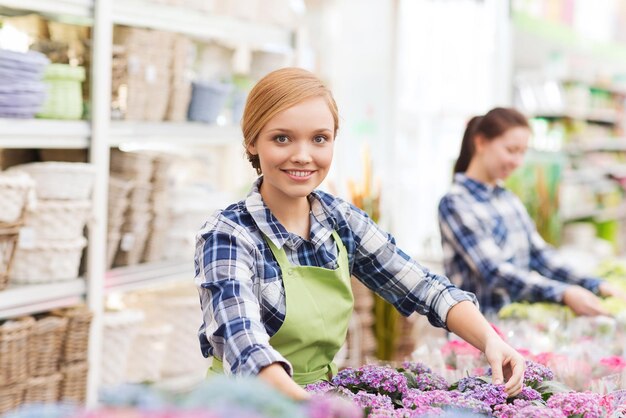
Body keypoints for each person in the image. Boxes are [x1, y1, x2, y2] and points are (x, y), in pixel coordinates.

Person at [194, 68, 524, 401]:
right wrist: (313, 407)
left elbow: (424, 287)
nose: (303, 155)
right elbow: (244, 346)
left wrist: (490, 339)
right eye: (282, 138)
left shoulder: (340, 221)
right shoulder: (228, 235)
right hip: (243, 404)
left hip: (317, 400)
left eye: (319, 138)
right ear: (252, 140)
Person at [438, 107, 626, 317]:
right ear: (481, 142)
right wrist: (563, 293)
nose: (517, 162)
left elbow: (540, 256)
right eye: (511, 150)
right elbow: (494, 271)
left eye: (522, 152)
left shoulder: (508, 199)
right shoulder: (456, 203)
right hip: (476, 334)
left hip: (514, 326)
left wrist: (594, 285)